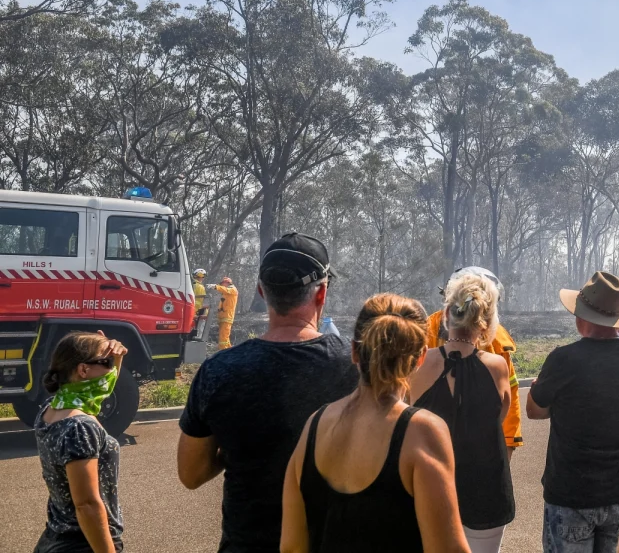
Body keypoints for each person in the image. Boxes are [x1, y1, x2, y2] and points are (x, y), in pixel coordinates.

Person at [177, 233, 359, 553]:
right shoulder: (357, 366)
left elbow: (191, 474)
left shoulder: (219, 370)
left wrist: (236, 445)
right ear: (322, 293)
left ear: (262, 291)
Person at [280, 294, 470, 553]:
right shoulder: (423, 432)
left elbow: (291, 547)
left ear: (355, 351)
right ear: (421, 356)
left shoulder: (315, 425)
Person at [527, 271, 619, 553]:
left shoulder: (563, 360)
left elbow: (534, 411)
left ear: (582, 317)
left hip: (571, 493)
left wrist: (539, 390)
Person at [411, 271, 516, 553]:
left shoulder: (419, 364)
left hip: (430, 490)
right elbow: (499, 416)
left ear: (446, 313)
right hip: (486, 491)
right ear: (487, 322)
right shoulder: (497, 367)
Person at [34, 331, 129, 553]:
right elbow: (86, 505)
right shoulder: (80, 427)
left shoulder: (52, 409)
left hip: (56, 537)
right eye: (106, 362)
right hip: (84, 543)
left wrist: (116, 358)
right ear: (83, 370)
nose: (111, 370)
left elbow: (104, 388)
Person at [425, 267, 523, 456]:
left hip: (434, 452)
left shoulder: (498, 340)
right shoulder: (426, 330)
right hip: (471, 455)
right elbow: (506, 407)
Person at [213, 276, 238, 350]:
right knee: (225, 336)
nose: (222, 285)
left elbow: (225, 290)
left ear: (227, 283)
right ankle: (229, 350)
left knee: (223, 337)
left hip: (227, 316)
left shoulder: (232, 289)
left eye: (222, 283)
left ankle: (222, 352)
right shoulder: (226, 293)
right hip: (223, 316)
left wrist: (216, 287)